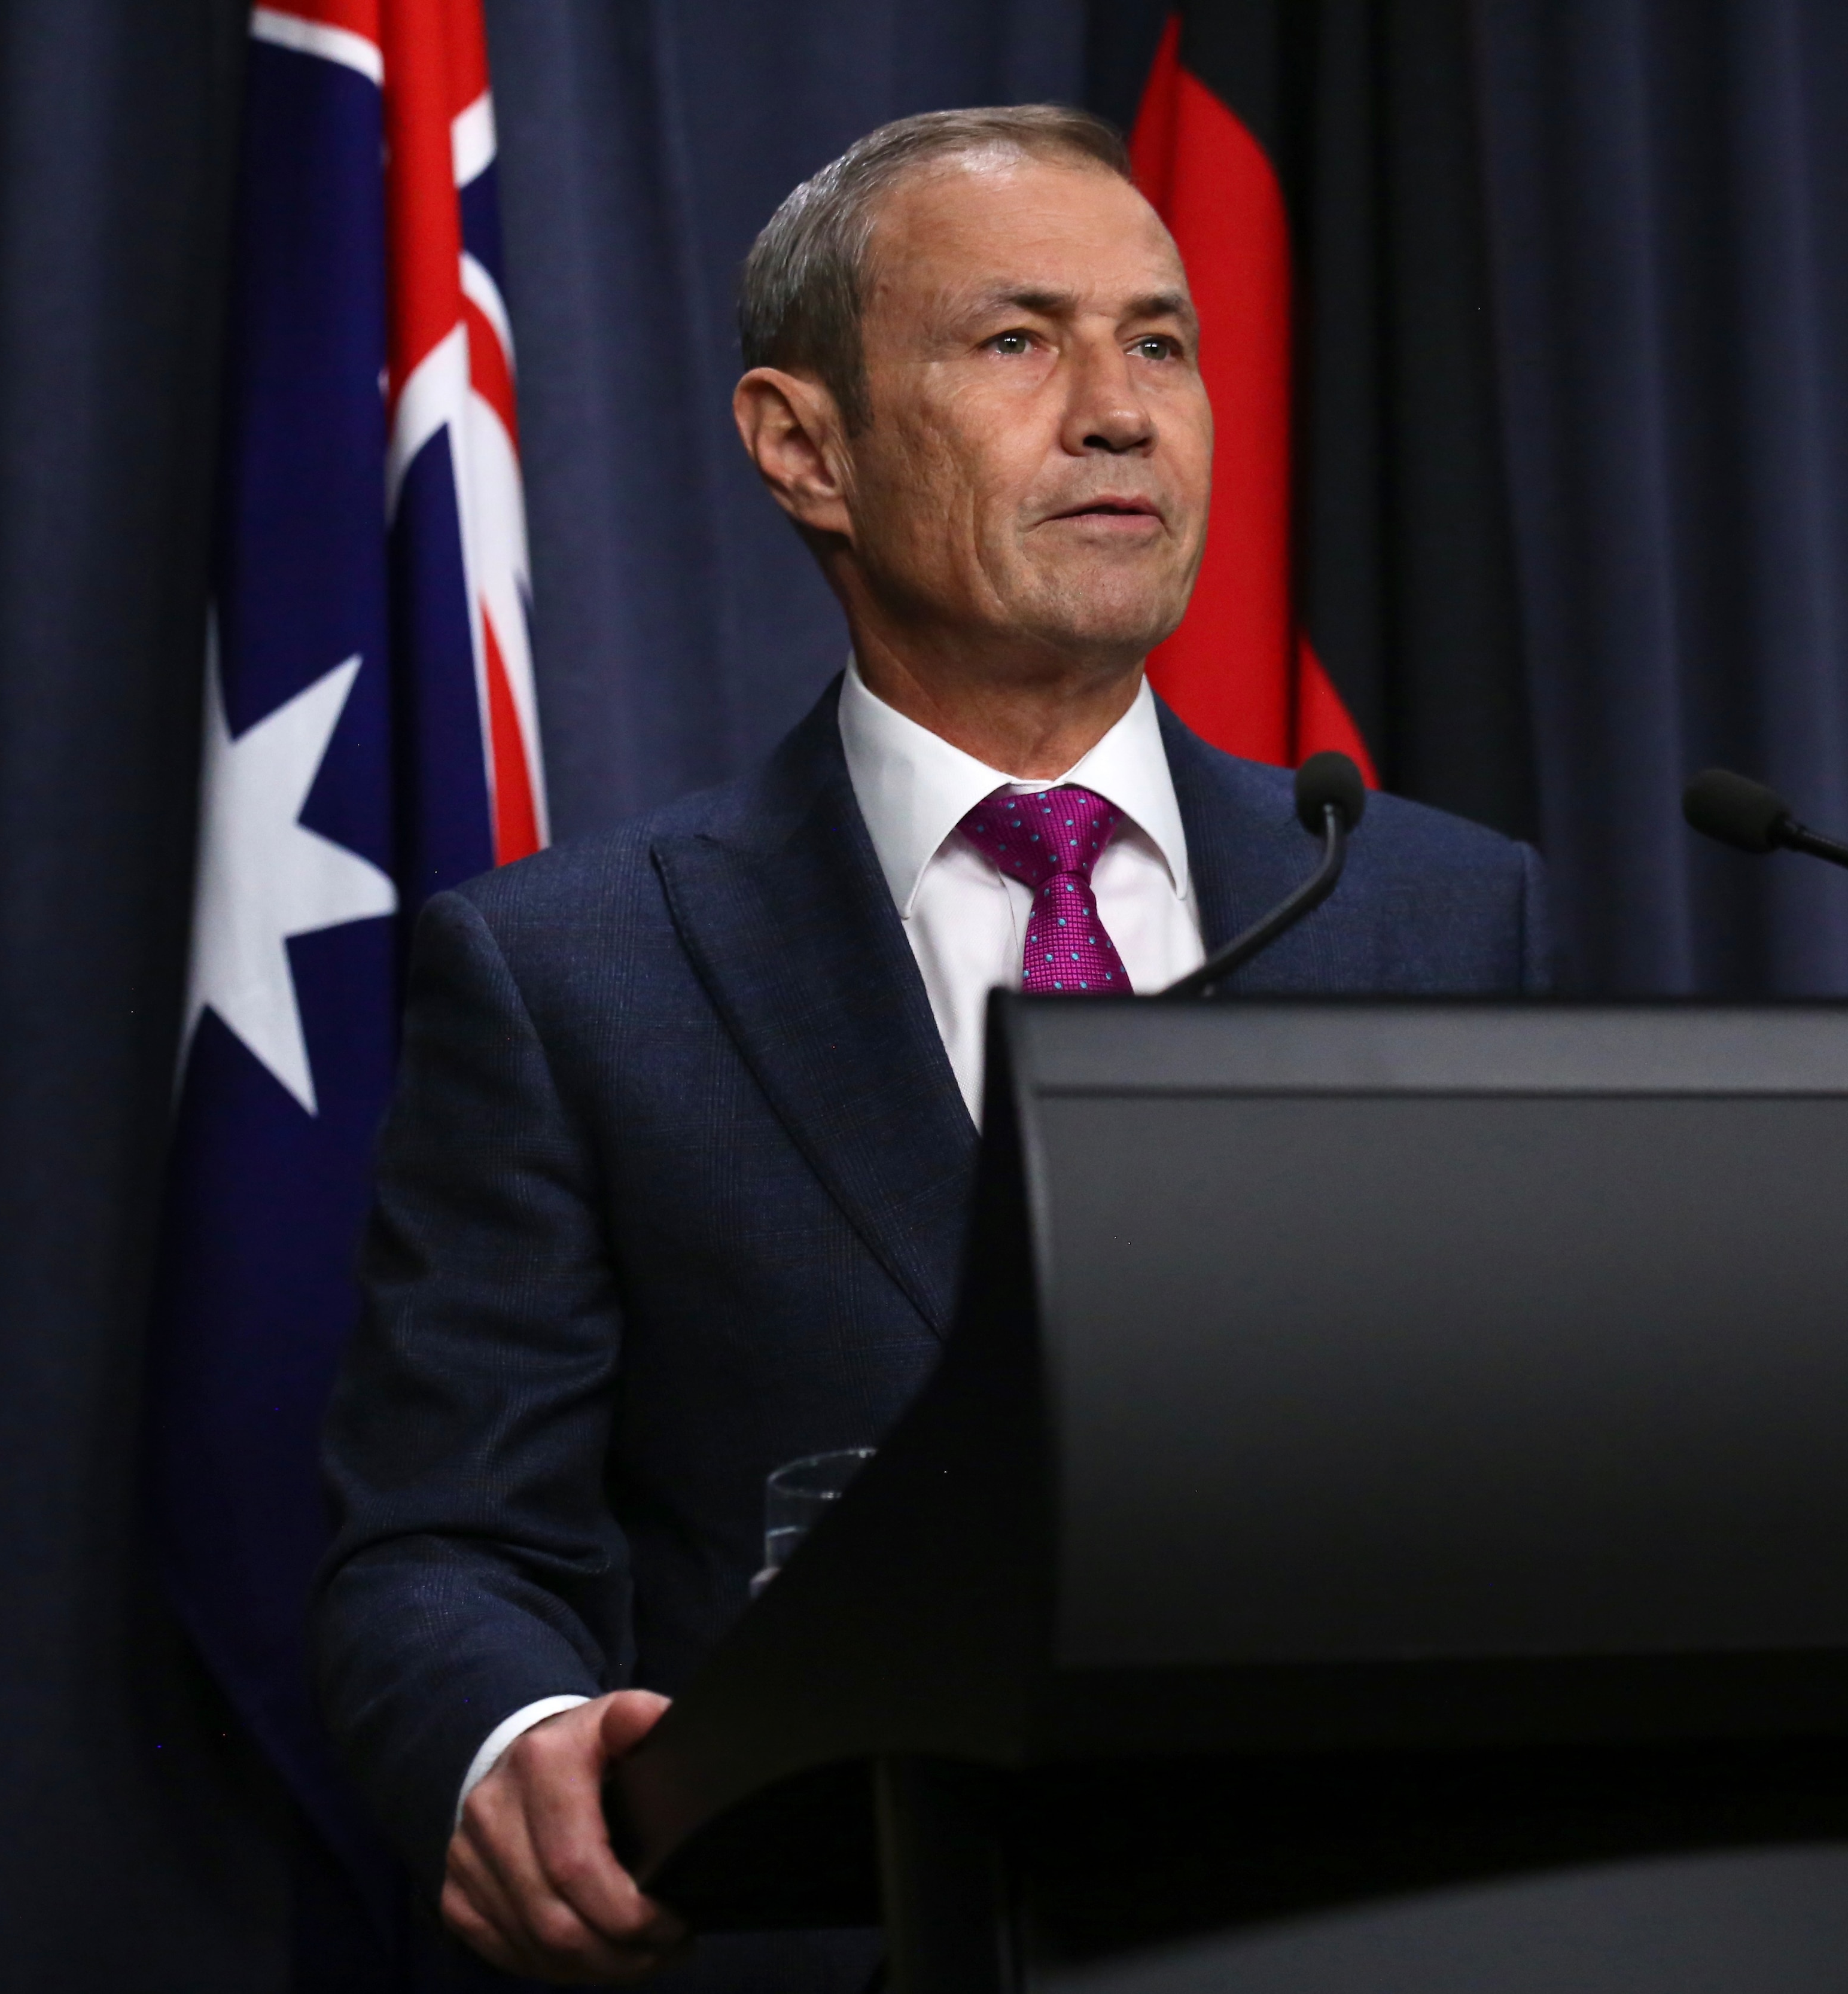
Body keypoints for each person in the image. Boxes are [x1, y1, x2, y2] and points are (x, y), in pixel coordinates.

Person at [313, 103, 1560, 1987]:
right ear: (802, 445)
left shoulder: (1429, 909)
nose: (1121, 409)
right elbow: (439, 1549)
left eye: (1159, 340)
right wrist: (516, 1753)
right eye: (1015, 341)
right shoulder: (568, 972)